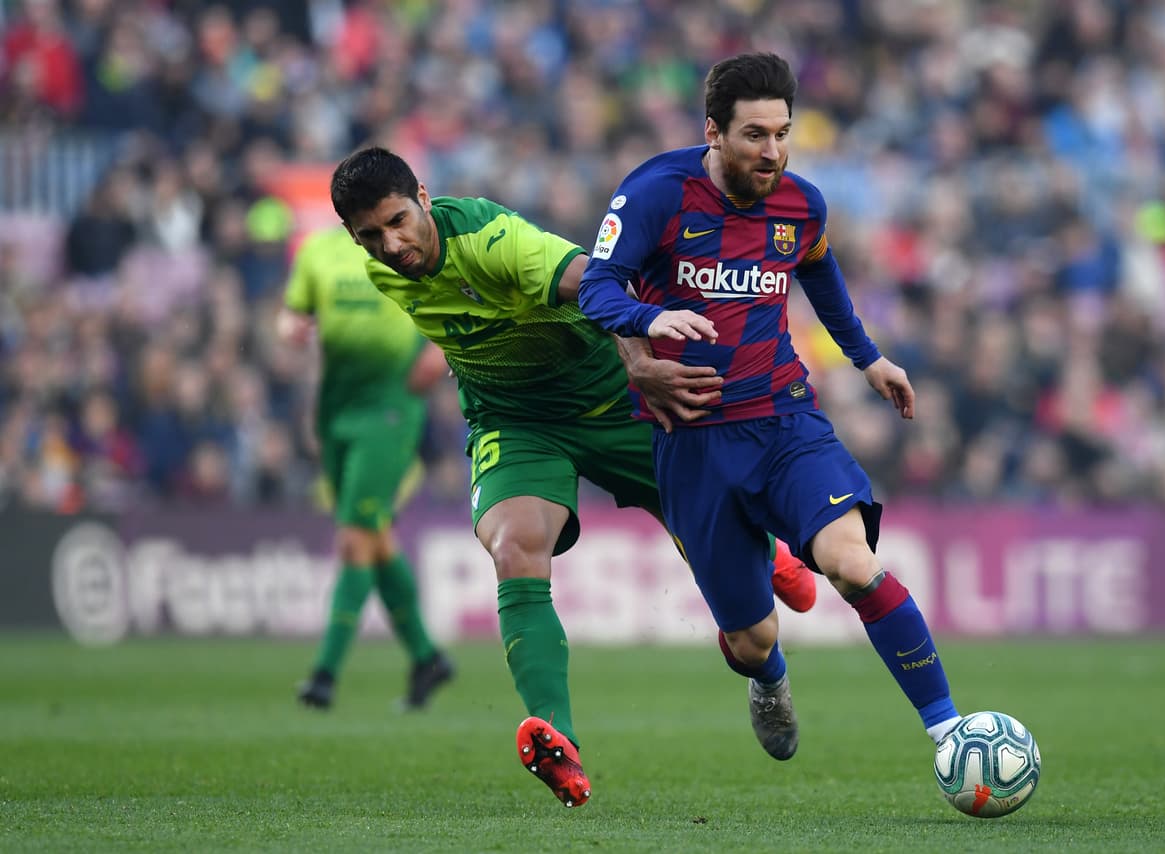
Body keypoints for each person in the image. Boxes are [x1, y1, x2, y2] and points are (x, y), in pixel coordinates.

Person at [328, 145, 817, 808]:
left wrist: (643, 362)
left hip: (620, 406)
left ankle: (768, 664)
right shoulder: (385, 268)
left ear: (422, 192)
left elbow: (604, 283)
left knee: (751, 635)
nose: (391, 244)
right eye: (370, 236)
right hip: (518, 422)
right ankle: (558, 741)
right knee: (514, 547)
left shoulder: (497, 243)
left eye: (397, 221)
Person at [577, 52, 963, 763]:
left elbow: (817, 266)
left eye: (783, 133)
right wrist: (645, 320)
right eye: (755, 135)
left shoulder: (802, 203)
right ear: (713, 132)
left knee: (854, 566)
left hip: (786, 418)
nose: (773, 151)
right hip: (692, 440)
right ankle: (769, 678)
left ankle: (951, 734)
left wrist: (867, 356)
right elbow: (596, 287)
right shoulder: (657, 193)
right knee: (753, 641)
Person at [278, 224, 454, 711]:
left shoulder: (404, 244)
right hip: (337, 411)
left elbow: (456, 299)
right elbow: (291, 317)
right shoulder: (315, 251)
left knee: (354, 536)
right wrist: (289, 329)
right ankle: (427, 658)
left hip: (391, 409)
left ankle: (324, 675)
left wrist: (439, 351)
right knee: (374, 538)